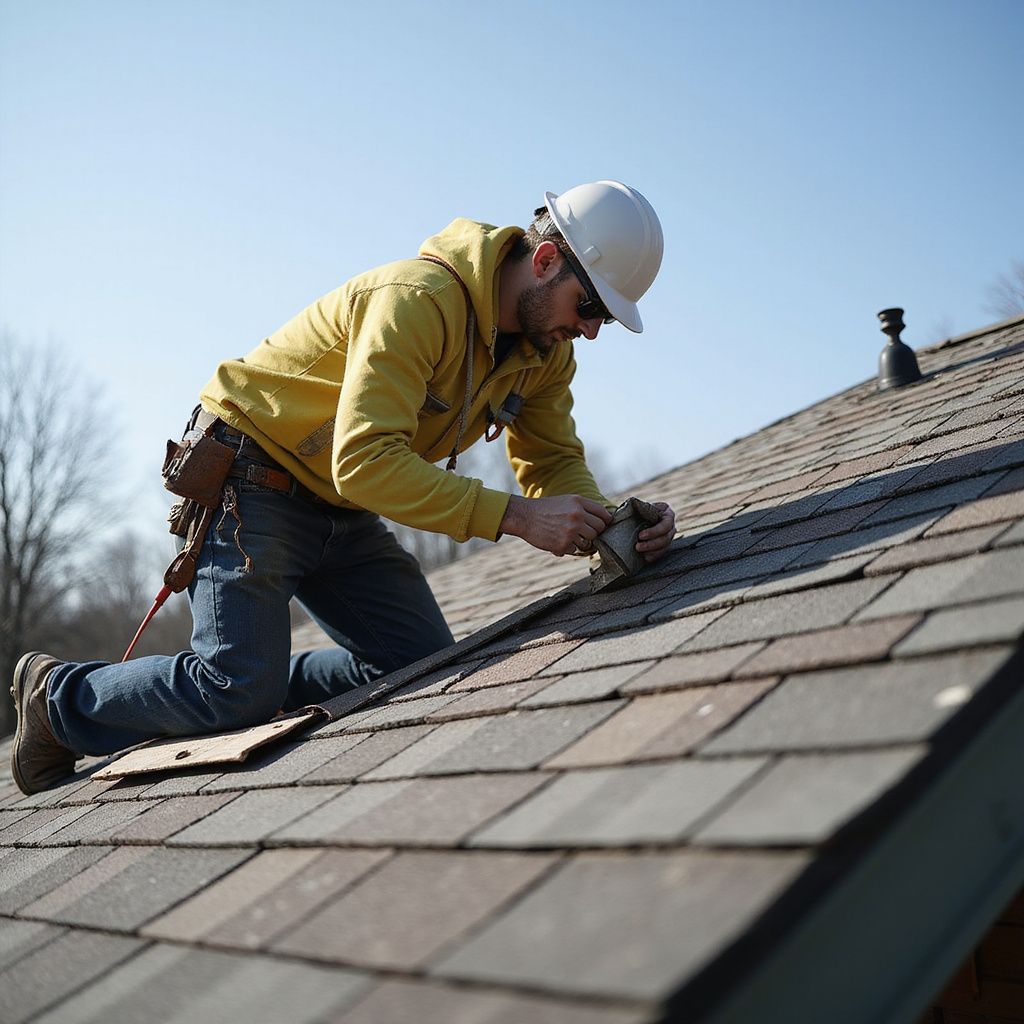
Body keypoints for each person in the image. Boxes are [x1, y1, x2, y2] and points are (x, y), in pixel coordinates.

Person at [10, 180, 675, 795]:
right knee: (231, 691)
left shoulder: (544, 355)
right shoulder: (419, 301)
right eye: (588, 306)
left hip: (341, 505)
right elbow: (363, 458)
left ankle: (259, 675)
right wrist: (516, 517)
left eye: (605, 321)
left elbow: (553, 459)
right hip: (255, 477)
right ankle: (58, 699)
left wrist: (615, 525)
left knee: (417, 665)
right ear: (546, 259)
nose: (589, 329)